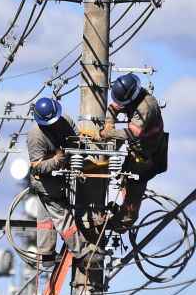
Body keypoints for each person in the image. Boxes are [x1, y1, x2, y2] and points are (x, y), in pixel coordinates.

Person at [27, 96, 97, 265]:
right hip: (46, 183)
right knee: (63, 218)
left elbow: (77, 139)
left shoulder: (64, 120)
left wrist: (82, 148)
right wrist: (57, 160)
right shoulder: (36, 135)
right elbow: (36, 166)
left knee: (46, 219)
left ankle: (46, 255)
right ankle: (84, 254)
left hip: (61, 177)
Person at [99, 73, 167, 227]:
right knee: (125, 182)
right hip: (137, 150)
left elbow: (131, 133)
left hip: (149, 156)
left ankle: (123, 222)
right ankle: (119, 211)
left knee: (133, 195)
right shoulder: (130, 94)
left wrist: (105, 133)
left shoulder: (146, 107)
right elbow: (113, 107)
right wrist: (109, 123)